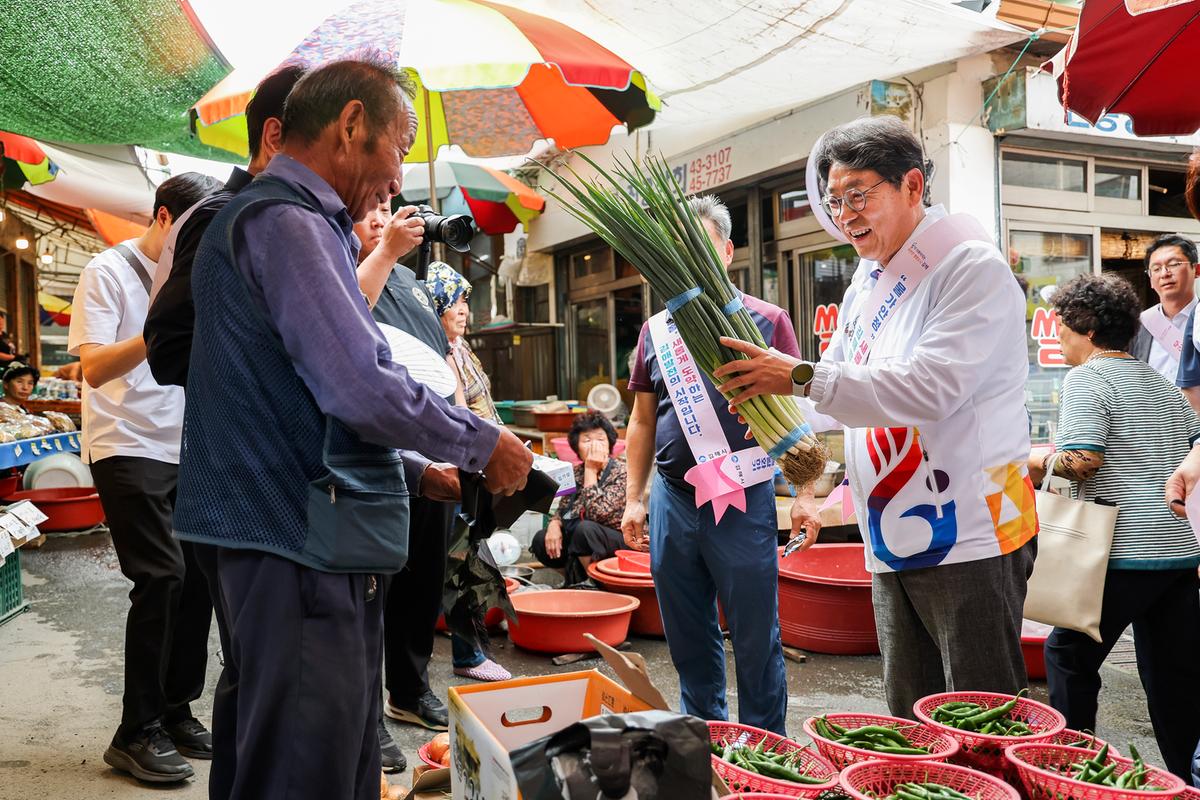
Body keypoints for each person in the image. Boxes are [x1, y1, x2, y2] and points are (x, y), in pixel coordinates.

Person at [173, 58, 531, 800]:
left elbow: (294, 394)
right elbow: (357, 385)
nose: (398, 178)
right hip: (294, 537)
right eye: (399, 146)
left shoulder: (268, 221)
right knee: (311, 762)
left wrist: (408, 469)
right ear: (351, 126)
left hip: (267, 530)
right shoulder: (289, 223)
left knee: (266, 747)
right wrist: (480, 441)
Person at [712, 116, 1037, 718]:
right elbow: (839, 385)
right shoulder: (868, 279)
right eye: (834, 200)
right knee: (911, 709)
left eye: (858, 194)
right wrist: (772, 403)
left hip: (971, 526)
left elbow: (931, 387)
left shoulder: (971, 267)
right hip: (891, 526)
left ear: (912, 186)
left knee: (981, 709)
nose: (844, 214)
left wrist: (800, 376)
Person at [141, 66, 306, 800]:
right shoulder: (226, 216)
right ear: (275, 137)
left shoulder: (295, 218)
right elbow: (168, 343)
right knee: (263, 676)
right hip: (237, 478)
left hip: (266, 480)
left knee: (259, 677)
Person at [623, 194, 809, 736]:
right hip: (674, 498)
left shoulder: (767, 323)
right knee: (686, 633)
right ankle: (707, 747)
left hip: (744, 498)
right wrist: (635, 498)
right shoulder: (655, 331)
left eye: (701, 250)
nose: (689, 263)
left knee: (755, 636)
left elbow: (800, 423)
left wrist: (803, 495)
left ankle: (764, 752)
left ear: (727, 252)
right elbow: (640, 418)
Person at [67, 171, 222, 784]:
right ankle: (136, 730)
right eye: (191, 233)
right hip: (124, 444)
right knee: (162, 576)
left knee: (199, 580)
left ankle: (176, 708)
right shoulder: (106, 272)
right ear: (162, 219)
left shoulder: (197, 277)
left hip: (186, 445)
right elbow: (97, 368)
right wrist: (160, 327)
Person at [1028, 273, 1200, 782]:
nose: (1058, 338)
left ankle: (1071, 772)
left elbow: (1083, 460)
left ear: (1085, 327)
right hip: (1176, 552)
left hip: (1120, 551)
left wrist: (1033, 461)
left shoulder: (1087, 379)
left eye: (1061, 327)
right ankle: (1187, 780)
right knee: (1175, 680)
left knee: (1067, 656)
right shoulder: (1162, 385)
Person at [352, 201, 454, 770]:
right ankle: (365, 717)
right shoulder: (343, 263)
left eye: (389, 205)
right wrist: (385, 251)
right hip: (377, 451)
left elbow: (441, 355)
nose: (382, 215)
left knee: (425, 574)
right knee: (374, 585)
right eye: (369, 206)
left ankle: (408, 689)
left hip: (432, 443)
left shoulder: (415, 282)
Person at [425, 262, 515, 683]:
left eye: (464, 300)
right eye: (455, 300)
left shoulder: (462, 348)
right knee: (460, 564)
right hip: (454, 471)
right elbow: (459, 413)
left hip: (476, 465)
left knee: (470, 560)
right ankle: (467, 656)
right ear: (436, 306)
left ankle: (471, 651)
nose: (463, 308)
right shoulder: (437, 351)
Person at [531, 411, 628, 585]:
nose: (594, 446)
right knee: (541, 538)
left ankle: (597, 584)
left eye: (600, 439)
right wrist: (554, 523)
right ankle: (574, 579)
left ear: (609, 444)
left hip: (618, 541)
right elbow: (565, 509)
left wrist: (591, 471)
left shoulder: (621, 472)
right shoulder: (576, 473)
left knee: (585, 530)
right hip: (584, 540)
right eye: (587, 440)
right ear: (577, 447)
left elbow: (597, 513)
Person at [1132, 235, 1197, 384]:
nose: (1164, 273)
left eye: (1174, 264)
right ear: (1150, 280)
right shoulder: (1140, 325)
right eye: (1156, 268)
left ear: (1197, 270)